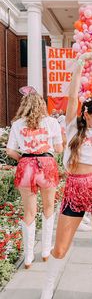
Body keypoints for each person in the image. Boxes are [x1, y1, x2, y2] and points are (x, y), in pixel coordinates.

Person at [40, 50, 92, 299]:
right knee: (61, 246)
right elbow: (73, 95)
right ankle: (47, 288)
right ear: (86, 114)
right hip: (74, 189)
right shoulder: (73, 126)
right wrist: (79, 66)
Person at [6, 91, 63, 269]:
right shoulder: (52, 122)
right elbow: (59, 149)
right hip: (47, 164)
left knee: (29, 213)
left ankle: (28, 257)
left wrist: (24, 158)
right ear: (42, 105)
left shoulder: (17, 124)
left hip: (26, 167)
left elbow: (10, 151)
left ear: (24, 105)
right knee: (48, 208)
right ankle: (45, 251)